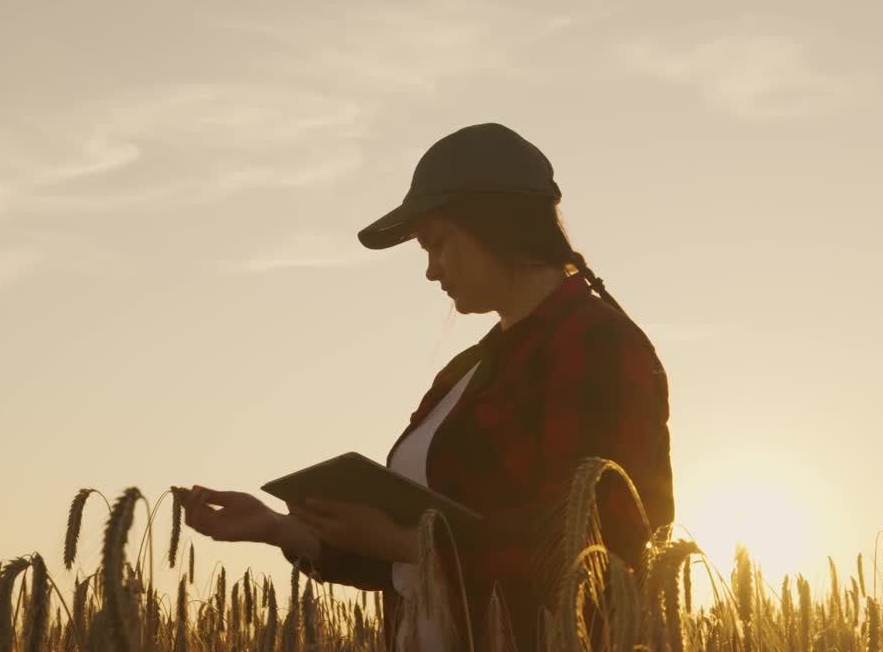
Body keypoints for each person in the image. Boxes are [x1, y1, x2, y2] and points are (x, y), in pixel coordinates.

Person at [173, 122, 674, 650]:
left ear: (494, 224)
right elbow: (411, 561)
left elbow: (606, 539)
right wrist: (278, 528)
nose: (431, 271)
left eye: (438, 244)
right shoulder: (465, 373)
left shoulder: (595, 341)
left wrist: (412, 543)